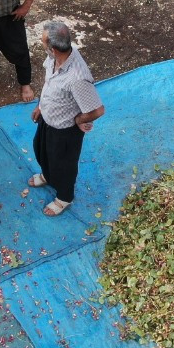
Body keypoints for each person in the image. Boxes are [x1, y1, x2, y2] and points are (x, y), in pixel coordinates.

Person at [28, 21, 104, 217]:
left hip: (65, 131)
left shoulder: (78, 78)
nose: (41, 44)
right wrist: (40, 106)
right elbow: (48, 83)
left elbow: (97, 109)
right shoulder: (54, 59)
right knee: (40, 149)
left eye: (43, 42)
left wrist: (79, 120)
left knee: (63, 165)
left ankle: (64, 197)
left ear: (53, 49)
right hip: (47, 119)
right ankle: (47, 175)